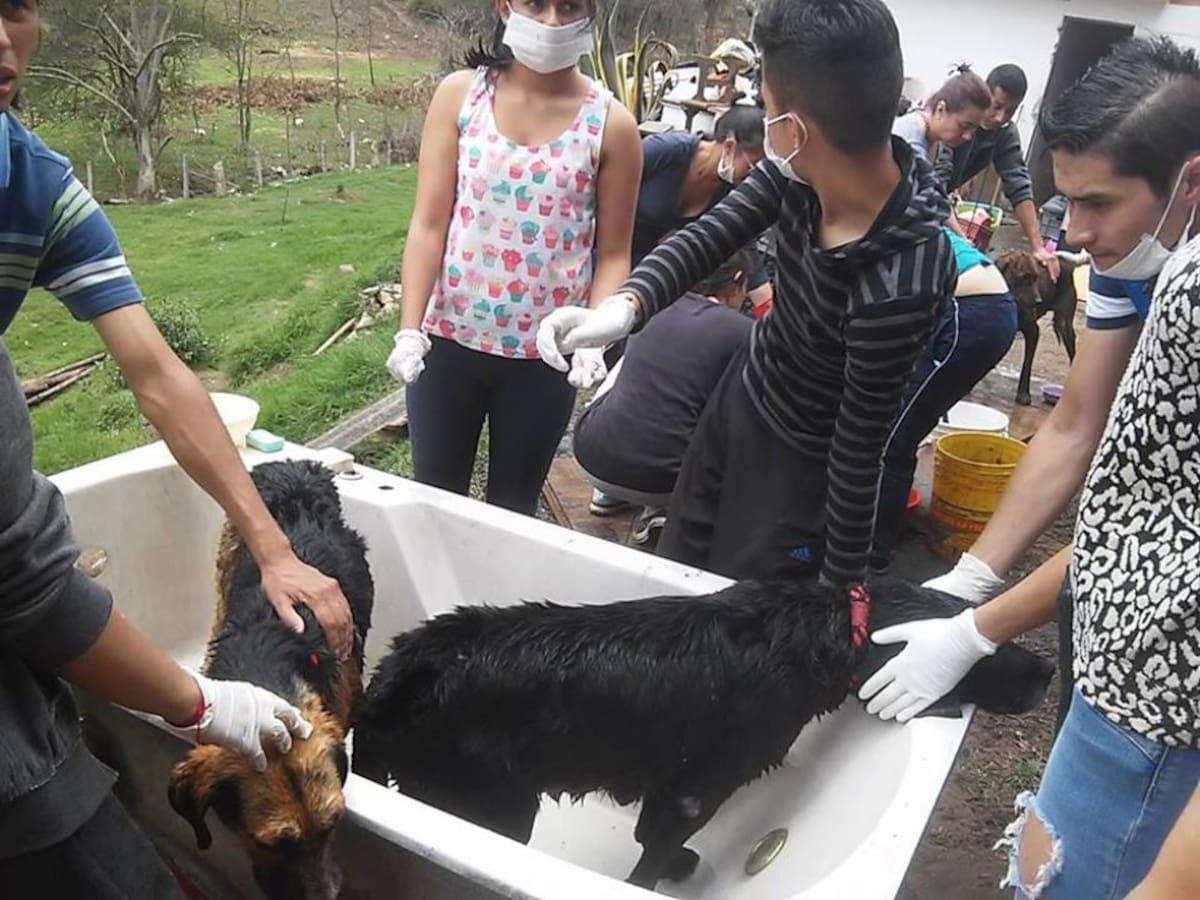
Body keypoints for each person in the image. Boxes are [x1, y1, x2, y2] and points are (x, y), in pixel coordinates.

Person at [858, 36, 1200, 899]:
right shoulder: (1143, 258)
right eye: (1063, 201)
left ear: (1189, 183)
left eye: (1095, 204)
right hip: (1138, 627)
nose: (1073, 236)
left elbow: (1160, 540)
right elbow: (1075, 424)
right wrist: (971, 582)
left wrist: (982, 629)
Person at [538, 0, 957, 586]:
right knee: (677, 572)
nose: (761, 119)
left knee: (739, 618)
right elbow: (713, 233)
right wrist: (625, 306)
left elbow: (860, 450)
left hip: (801, 469)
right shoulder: (800, 173)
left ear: (794, 129)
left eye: (766, 107)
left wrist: (840, 589)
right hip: (740, 403)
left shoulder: (903, 277)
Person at [0, 1, 353, 659]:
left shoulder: (38, 190)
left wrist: (273, 551)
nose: (1, 37)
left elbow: (160, 376)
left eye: (13, 7)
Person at [0, 333, 312, 897]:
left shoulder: (59, 241)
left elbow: (157, 368)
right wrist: (200, 703)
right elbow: (32, 586)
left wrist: (270, 547)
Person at [384, 0, 640, 517]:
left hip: (542, 363)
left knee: (513, 512)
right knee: (434, 503)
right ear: (505, 6)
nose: (550, 20)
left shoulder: (611, 126)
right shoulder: (461, 96)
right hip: (448, 346)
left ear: (589, 12)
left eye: (568, 6)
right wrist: (411, 329)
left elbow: (613, 252)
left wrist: (595, 337)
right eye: (534, 3)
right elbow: (429, 223)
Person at [869, 227, 1017, 572]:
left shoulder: (878, 226)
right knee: (903, 423)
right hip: (987, 310)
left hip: (970, 312)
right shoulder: (912, 213)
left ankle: (875, 554)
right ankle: (878, 535)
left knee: (895, 440)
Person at [573, 251, 752, 521]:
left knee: (628, 369)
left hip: (590, 457)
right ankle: (663, 510)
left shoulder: (653, 305)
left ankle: (607, 494)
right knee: (728, 400)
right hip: (664, 484)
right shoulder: (743, 330)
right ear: (737, 281)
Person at [936, 64, 1063, 280]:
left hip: (936, 202)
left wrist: (1037, 246)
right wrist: (961, 239)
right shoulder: (955, 116)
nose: (1000, 118)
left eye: (1010, 111)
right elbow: (935, 185)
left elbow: (1018, 184)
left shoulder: (1004, 133)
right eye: (996, 106)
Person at [631, 106, 764, 266]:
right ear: (729, 147)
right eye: (754, 164)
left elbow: (743, 240)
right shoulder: (667, 150)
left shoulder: (730, 191)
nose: (754, 174)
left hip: (643, 261)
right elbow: (606, 180)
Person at [892, 65, 990, 165]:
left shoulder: (936, 143)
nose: (967, 136)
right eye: (964, 126)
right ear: (940, 110)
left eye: (973, 130)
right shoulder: (910, 135)